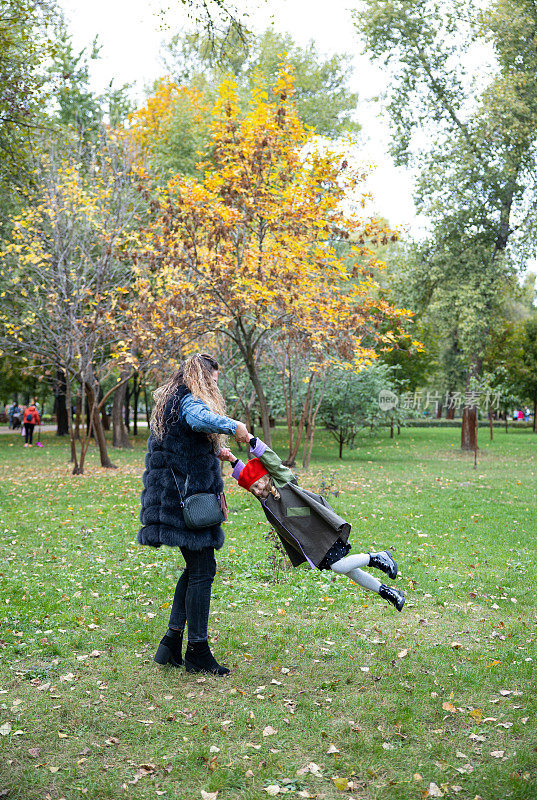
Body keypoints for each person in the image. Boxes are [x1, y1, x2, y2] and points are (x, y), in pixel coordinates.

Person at [138, 354, 250, 675]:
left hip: (175, 499)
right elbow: (199, 419)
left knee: (196, 568)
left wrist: (217, 450)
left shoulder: (171, 400)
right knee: (202, 569)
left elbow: (184, 439)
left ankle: (171, 643)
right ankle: (197, 650)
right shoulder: (187, 400)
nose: (215, 385)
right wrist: (234, 426)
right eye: (213, 380)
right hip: (187, 500)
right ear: (201, 377)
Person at [220, 437, 405, 612]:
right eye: (255, 489)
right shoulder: (264, 500)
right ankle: (388, 592)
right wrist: (231, 459)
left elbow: (272, 460)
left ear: (267, 477)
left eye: (260, 484)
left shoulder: (283, 481)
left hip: (321, 531)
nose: (259, 490)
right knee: (350, 571)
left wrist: (251, 439)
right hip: (311, 542)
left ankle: (377, 557)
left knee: (339, 567)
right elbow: (246, 478)